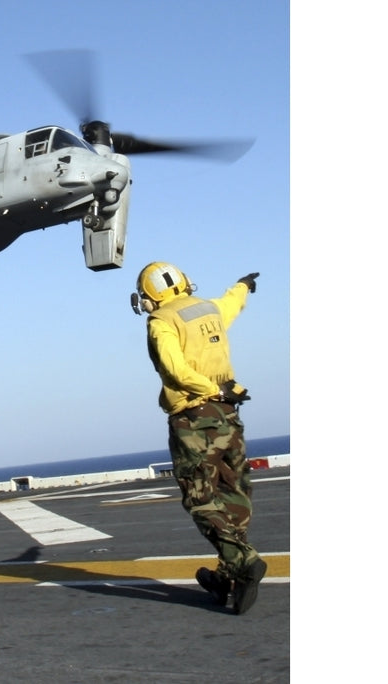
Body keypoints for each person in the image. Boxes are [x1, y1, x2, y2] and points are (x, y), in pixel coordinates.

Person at [131, 262, 266, 615]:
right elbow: (230, 303)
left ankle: (243, 561)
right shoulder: (207, 308)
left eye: (144, 298)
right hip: (229, 415)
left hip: (194, 419)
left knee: (201, 498)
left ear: (153, 295)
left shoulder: (162, 322)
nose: (143, 304)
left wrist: (210, 389)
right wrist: (243, 285)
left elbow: (173, 368)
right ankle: (228, 579)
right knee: (234, 495)